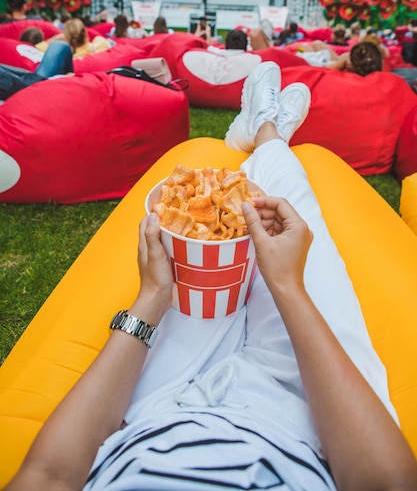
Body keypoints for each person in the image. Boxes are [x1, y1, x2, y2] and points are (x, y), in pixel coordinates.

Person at [4, 63, 417, 489]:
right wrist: (288, 287)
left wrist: (151, 298)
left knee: (264, 222)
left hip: (154, 406)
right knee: (294, 211)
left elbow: (47, 474)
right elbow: (389, 480)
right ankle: (268, 135)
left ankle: (262, 129)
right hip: (302, 421)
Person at [0, 41, 74, 101]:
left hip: (28, 79)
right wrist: (55, 80)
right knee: (59, 46)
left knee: (59, 45)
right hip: (32, 88)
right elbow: (21, 87)